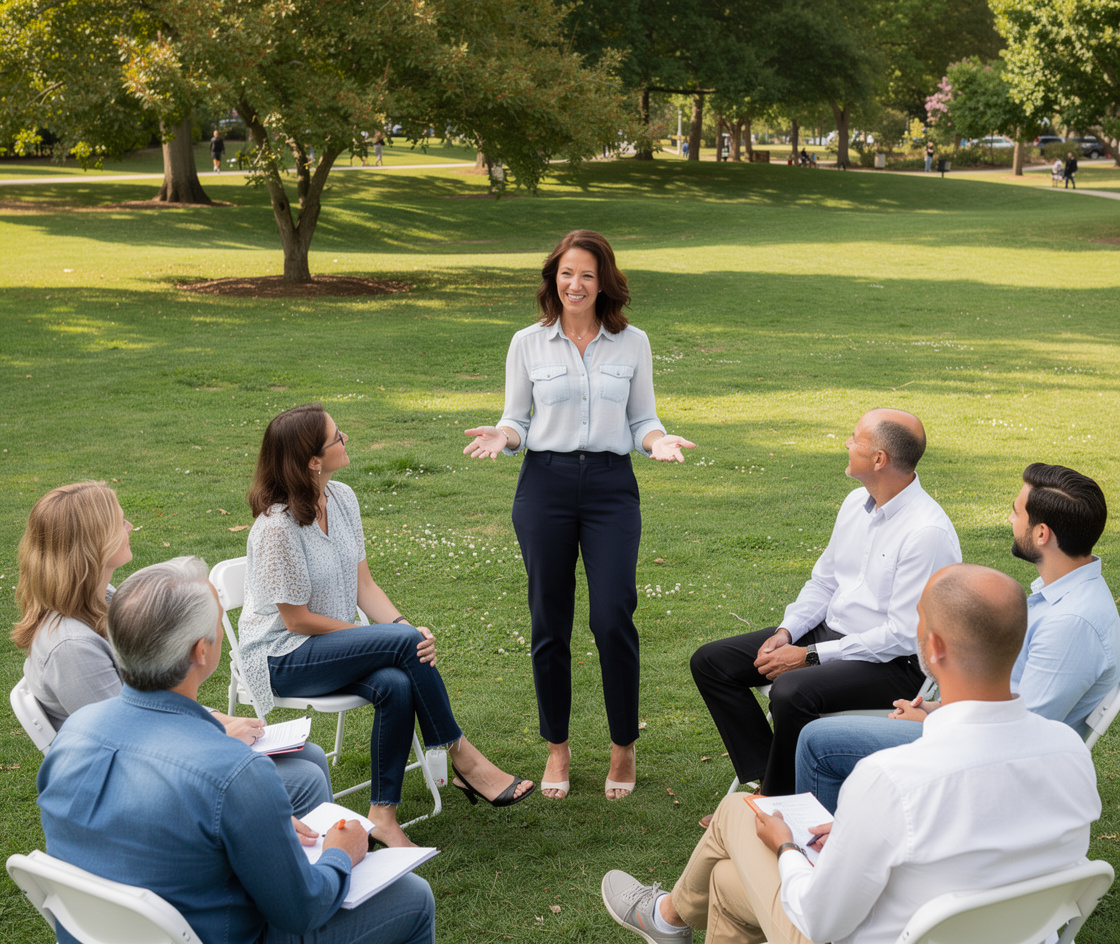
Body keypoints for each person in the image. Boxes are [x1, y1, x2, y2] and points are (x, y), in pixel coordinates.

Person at [601, 564, 1101, 944]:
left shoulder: (893, 777)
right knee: (729, 884)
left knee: (737, 811)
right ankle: (667, 920)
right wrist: (852, 832)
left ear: (933, 648)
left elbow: (819, 920)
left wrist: (787, 848)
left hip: (867, 933)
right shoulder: (1071, 754)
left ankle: (664, 916)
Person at [38, 557, 435, 944]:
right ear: (201, 651)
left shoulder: (73, 734)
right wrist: (340, 854)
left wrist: (257, 829)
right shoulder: (233, 772)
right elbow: (302, 911)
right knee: (413, 898)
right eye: (217, 623)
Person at [463, 230, 696, 801]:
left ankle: (623, 746)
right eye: (567, 273)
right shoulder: (527, 342)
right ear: (554, 279)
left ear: (603, 282)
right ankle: (557, 747)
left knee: (612, 617)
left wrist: (658, 441)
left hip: (612, 488)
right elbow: (516, 418)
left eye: (587, 275)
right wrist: (503, 436)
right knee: (549, 620)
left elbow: (643, 419)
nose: (576, 284)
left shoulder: (633, 342)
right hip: (544, 485)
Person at [239, 404, 533, 848]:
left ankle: (383, 816)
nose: (346, 439)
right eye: (337, 437)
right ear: (313, 460)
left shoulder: (341, 498)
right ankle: (465, 759)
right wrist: (387, 638)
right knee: (402, 646)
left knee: (395, 682)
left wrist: (401, 626)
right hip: (281, 654)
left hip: (329, 645)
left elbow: (365, 585)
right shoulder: (276, 527)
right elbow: (295, 619)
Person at [797, 462, 1118, 811]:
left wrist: (936, 720)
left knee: (817, 742)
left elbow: (1020, 730)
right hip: (972, 731)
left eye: (1016, 512)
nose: (1010, 519)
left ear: (1042, 534)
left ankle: (822, 844)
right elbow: (1010, 701)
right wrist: (938, 707)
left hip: (985, 759)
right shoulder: (1063, 593)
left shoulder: (1072, 623)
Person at [11, 481, 333, 817]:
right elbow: (128, 742)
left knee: (308, 755)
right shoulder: (71, 648)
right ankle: (298, 848)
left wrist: (214, 720)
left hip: (162, 752)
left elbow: (151, 701)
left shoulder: (102, 599)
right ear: (93, 542)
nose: (129, 526)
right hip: (139, 790)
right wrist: (217, 735)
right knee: (303, 779)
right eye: (119, 523)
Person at [690, 409, 961, 802]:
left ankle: (779, 804)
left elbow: (902, 636)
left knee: (790, 691)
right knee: (713, 662)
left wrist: (811, 656)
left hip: (893, 663)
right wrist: (787, 632)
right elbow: (824, 583)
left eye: (855, 438)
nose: (847, 443)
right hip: (832, 635)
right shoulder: (855, 503)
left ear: (879, 459)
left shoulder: (926, 532)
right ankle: (768, 779)